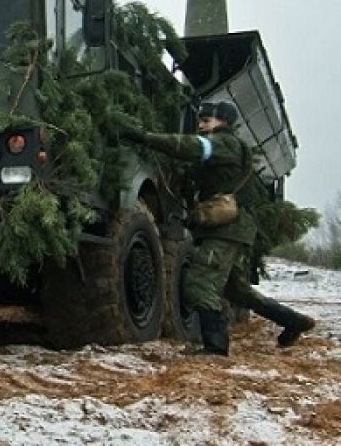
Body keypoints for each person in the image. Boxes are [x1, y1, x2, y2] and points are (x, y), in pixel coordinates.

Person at [121, 101, 315, 355]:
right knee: (236, 290)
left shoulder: (223, 143)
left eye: (207, 120)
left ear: (223, 122)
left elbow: (189, 146)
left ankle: (215, 346)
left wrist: (144, 138)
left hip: (226, 229)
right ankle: (292, 320)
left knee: (200, 283)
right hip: (233, 229)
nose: (201, 124)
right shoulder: (226, 147)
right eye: (200, 120)